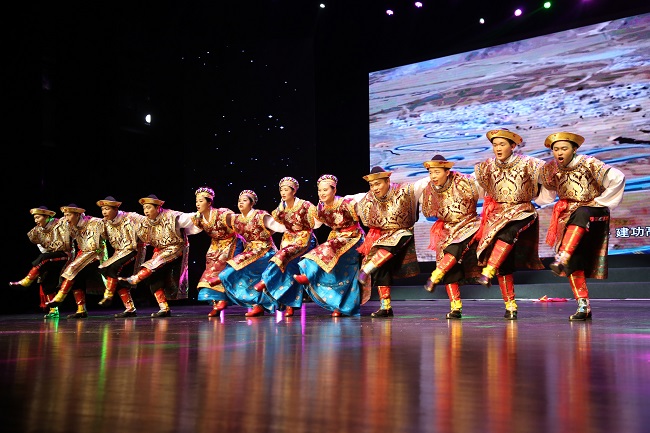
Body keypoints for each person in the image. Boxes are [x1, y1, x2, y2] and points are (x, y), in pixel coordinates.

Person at [538, 132, 625, 321]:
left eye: (564, 148)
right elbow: (546, 193)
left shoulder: (589, 163)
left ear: (574, 149)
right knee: (574, 261)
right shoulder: (550, 168)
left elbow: (618, 177)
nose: (559, 152)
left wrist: (601, 201)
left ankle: (563, 256)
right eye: (556, 149)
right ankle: (583, 306)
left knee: (582, 212)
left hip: (593, 211)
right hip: (568, 216)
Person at [473, 129, 546, 320]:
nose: (498, 148)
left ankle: (488, 271)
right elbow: (476, 190)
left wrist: (542, 199)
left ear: (513, 146)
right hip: (498, 215)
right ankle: (510, 305)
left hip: (522, 211)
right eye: (495, 145)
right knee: (504, 264)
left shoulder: (530, 164)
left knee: (509, 232)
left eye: (502, 144)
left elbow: (550, 180)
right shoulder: (486, 167)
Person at [349, 166, 429, 317]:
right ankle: (385, 307)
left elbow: (424, 183)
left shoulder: (404, 191)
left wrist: (438, 172)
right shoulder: (367, 199)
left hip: (402, 232)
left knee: (391, 244)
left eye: (378, 184)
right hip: (382, 237)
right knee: (381, 268)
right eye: (372, 185)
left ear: (387, 181)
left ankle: (367, 269)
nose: (375, 188)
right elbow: (347, 200)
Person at [293, 174, 365, 317]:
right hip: (337, 239)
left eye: (325, 190)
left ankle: (309, 274)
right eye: (319, 190)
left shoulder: (347, 203)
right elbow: (314, 224)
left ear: (334, 190)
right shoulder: (320, 209)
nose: (322, 193)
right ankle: (338, 306)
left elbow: (366, 206)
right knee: (337, 273)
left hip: (353, 238)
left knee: (326, 249)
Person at [119, 194, 202, 318]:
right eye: (144, 208)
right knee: (154, 278)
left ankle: (135, 279)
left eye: (149, 207)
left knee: (152, 264)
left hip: (175, 248)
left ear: (158, 207)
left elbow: (191, 217)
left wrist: (203, 214)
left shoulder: (171, 216)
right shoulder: (145, 222)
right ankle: (164, 308)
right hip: (160, 251)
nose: (146, 211)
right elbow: (131, 220)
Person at [421, 155, 482, 319]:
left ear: (447, 171)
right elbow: (427, 212)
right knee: (449, 266)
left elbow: (477, 194)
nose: (433, 176)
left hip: (468, 224)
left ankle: (435, 275)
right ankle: (455, 307)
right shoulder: (429, 188)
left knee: (455, 248)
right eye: (430, 173)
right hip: (447, 229)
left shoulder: (464, 181)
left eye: (437, 172)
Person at [253, 177, 320, 317]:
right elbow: (276, 222)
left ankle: (266, 280)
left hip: (303, 238)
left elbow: (317, 220)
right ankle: (290, 304)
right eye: (281, 190)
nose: (283, 192)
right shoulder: (281, 207)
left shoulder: (304, 205)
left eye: (286, 190)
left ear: (294, 191)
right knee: (289, 270)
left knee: (282, 256)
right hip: (288, 239)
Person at [220, 190, 284, 317]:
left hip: (265, 251)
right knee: (227, 275)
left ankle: (266, 302)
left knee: (235, 272)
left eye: (244, 200)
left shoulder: (260, 216)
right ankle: (257, 304)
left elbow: (279, 227)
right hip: (249, 252)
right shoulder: (236, 219)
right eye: (239, 201)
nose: (241, 203)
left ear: (252, 203)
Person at [190, 186, 245, 317]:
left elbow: (240, 222)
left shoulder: (222, 214)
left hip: (231, 243)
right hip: (215, 246)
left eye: (201, 201)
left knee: (222, 271)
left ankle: (224, 300)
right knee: (209, 273)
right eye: (196, 201)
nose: (197, 204)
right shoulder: (198, 218)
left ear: (209, 203)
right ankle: (217, 302)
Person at [46, 204, 108, 319]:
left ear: (78, 215)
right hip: (83, 255)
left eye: (68, 215)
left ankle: (59, 297)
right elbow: (56, 228)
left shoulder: (95, 222)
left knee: (72, 270)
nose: (66, 218)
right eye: (65, 215)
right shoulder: (70, 225)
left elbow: (109, 230)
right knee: (76, 279)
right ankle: (81, 310)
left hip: (96, 255)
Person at [10, 206, 72, 319]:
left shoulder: (61, 223)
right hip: (50, 258)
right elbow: (42, 249)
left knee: (44, 258)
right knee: (47, 280)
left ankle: (27, 280)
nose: (36, 221)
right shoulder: (36, 231)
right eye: (34, 218)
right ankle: (53, 311)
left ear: (47, 217)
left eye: (38, 217)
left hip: (65, 255)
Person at [96, 196, 147, 318]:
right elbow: (102, 235)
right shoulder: (105, 222)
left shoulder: (130, 217)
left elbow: (147, 221)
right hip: (119, 252)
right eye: (102, 209)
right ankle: (130, 308)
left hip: (133, 250)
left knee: (114, 269)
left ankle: (108, 295)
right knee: (110, 274)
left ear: (115, 209)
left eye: (107, 209)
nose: (104, 212)